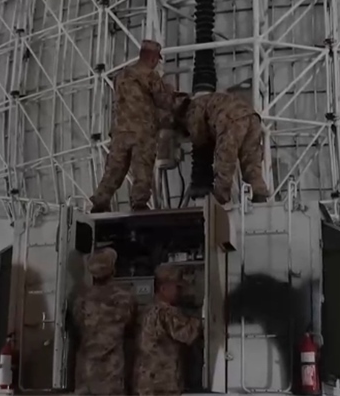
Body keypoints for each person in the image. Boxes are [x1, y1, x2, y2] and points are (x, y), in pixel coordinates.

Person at [90, 40, 177, 213]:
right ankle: (139, 202)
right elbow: (163, 100)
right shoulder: (150, 76)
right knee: (142, 168)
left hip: (120, 132)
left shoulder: (121, 76)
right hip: (141, 132)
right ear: (153, 58)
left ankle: (100, 201)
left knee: (115, 168)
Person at [174, 92, 269, 204]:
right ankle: (259, 194)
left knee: (226, 159)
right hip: (252, 116)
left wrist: (201, 178)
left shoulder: (192, 110)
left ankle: (220, 199)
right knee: (252, 161)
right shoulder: (205, 100)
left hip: (230, 119)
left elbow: (200, 140)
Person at [73, 248, 137, 395]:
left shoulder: (80, 299)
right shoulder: (124, 298)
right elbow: (130, 328)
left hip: (86, 374)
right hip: (111, 374)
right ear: (113, 270)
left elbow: (77, 326)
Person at [134, 264, 202, 395]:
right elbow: (188, 334)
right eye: (177, 287)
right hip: (162, 383)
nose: (180, 292)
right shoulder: (166, 312)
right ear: (163, 288)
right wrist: (200, 318)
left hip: (147, 380)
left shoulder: (148, 309)